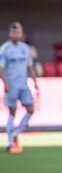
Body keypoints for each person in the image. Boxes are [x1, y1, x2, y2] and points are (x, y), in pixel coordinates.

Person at [0, 22, 39, 153]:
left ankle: (16, 132)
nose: (16, 34)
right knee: (12, 111)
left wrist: (35, 81)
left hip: (23, 85)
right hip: (11, 85)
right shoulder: (5, 49)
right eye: (13, 32)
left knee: (31, 109)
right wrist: (5, 84)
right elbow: (1, 69)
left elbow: (30, 67)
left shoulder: (26, 49)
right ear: (9, 34)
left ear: (22, 34)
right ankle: (10, 141)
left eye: (18, 32)